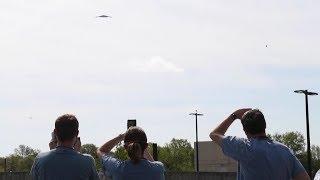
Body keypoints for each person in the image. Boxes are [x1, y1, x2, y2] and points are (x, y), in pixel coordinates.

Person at [209, 108, 310, 180]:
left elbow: (215, 134)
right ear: (265, 126)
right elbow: (304, 178)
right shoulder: (285, 151)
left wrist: (234, 115)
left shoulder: (244, 148)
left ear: (244, 130)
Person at [31, 114, 99, 180]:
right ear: (77, 133)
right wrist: (78, 153)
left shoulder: (40, 159)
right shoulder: (88, 161)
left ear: (55, 132)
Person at [97, 126, 165, 180]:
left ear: (125, 147)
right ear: (145, 146)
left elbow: (101, 151)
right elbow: (152, 164)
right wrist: (142, 148)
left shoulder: (117, 168)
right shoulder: (158, 168)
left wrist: (121, 137)